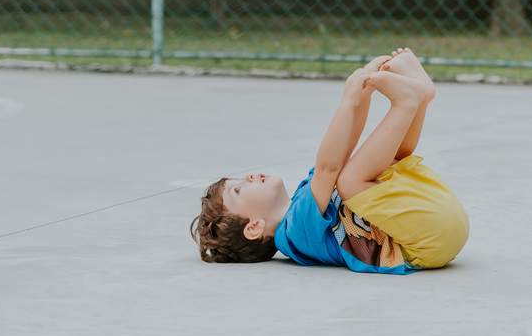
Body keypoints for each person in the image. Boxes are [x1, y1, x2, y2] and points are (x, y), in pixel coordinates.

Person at [190, 49, 468, 274]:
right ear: (254, 227)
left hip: (435, 227)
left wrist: (363, 92)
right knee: (349, 181)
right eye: (238, 190)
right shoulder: (293, 234)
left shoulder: (304, 197)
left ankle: (420, 99)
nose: (248, 177)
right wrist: (348, 99)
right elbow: (329, 166)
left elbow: (344, 150)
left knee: (383, 162)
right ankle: (407, 102)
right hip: (423, 244)